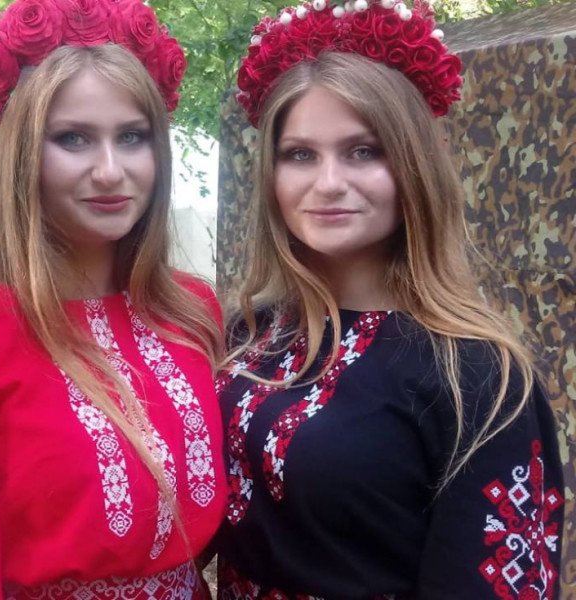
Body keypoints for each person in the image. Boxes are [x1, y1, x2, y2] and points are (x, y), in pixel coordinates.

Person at [215, 1, 564, 598]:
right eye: (300, 154)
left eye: (364, 151)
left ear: (414, 166)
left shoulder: (479, 376)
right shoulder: (249, 333)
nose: (328, 183)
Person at [0, 0, 227, 597]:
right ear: (19, 153)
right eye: (73, 138)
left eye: (132, 137)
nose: (110, 170)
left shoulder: (191, 310)